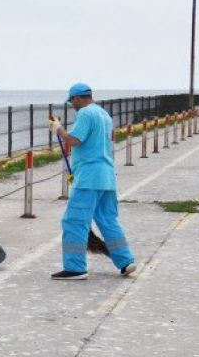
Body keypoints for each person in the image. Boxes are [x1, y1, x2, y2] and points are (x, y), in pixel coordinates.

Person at [49, 83, 136, 280]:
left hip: (89, 177)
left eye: (72, 101)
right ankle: (126, 261)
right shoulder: (104, 115)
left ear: (79, 98)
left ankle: (75, 267)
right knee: (108, 220)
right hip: (106, 176)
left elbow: (74, 140)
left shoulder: (86, 114)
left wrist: (58, 129)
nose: (72, 104)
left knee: (74, 221)